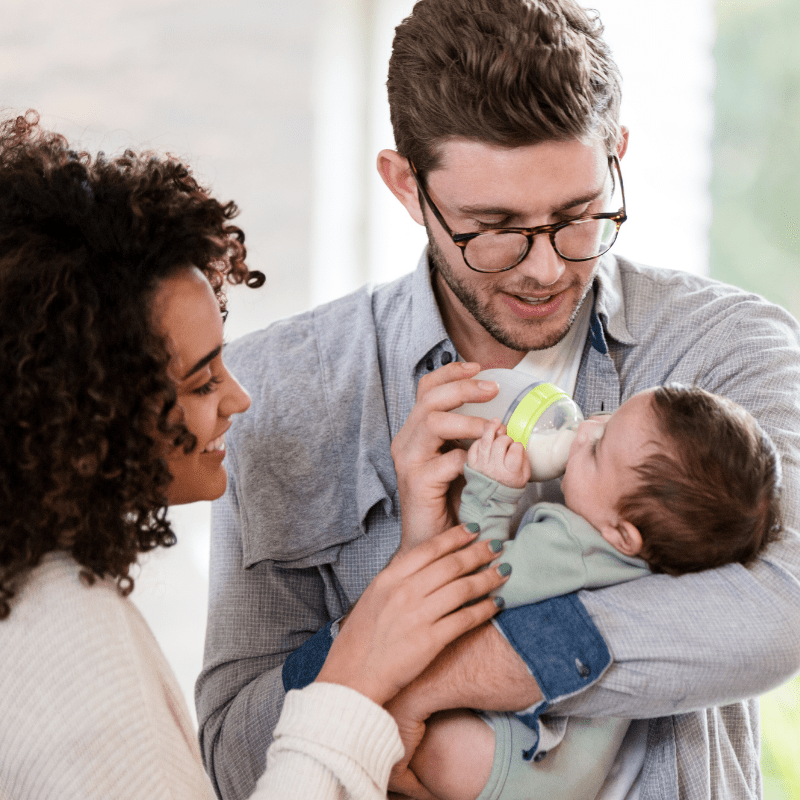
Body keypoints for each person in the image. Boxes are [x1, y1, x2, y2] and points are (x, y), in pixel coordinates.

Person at [196, 1, 800, 798]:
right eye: (493, 227)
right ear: (407, 187)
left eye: (579, 216)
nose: (546, 269)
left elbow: (781, 607)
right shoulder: (279, 391)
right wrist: (413, 572)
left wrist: (424, 677)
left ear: (615, 155)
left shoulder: (723, 347)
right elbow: (239, 756)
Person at [0, 111, 512, 800]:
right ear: (88, 408)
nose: (239, 399)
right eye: (202, 379)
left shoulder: (43, 591)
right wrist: (352, 677)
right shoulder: (68, 647)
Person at [408, 384, 782, 800]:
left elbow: (476, 587)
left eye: (597, 449)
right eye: (607, 420)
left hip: (515, 765)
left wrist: (489, 495)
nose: (585, 429)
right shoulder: (666, 561)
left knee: (394, 722)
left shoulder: (571, 545)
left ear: (622, 534)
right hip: (569, 774)